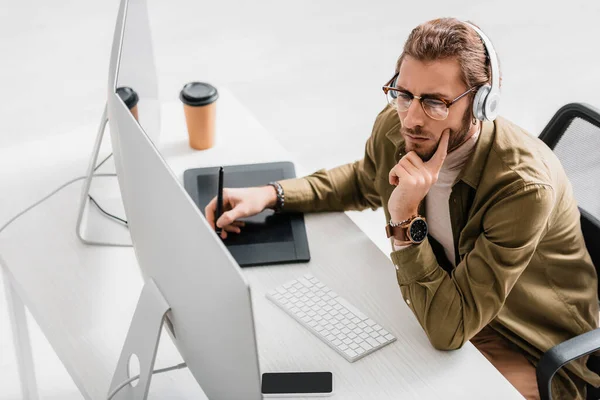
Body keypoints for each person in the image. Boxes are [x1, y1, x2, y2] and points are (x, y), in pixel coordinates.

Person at [205, 18, 599, 400]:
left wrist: (404, 219)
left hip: (528, 343)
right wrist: (273, 194)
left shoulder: (522, 186)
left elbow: (449, 329)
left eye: (435, 102)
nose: (411, 117)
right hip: (450, 296)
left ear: (482, 104)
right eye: (404, 93)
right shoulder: (401, 125)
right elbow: (364, 179)